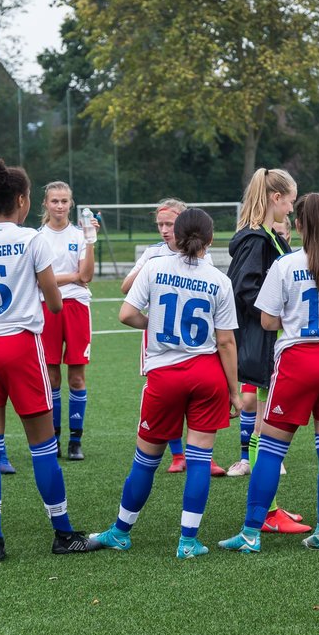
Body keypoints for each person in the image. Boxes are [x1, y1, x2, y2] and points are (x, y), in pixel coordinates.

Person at [0, 156, 100, 560]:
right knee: (43, 446)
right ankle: (62, 532)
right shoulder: (33, 239)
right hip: (19, 346)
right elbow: (53, 303)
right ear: (22, 199)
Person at [220, 193, 319, 553]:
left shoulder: (286, 265)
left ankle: (251, 533)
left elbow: (268, 320)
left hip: (299, 360)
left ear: (299, 225)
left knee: (271, 451)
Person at [92, 208, 239, 558]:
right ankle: (188, 541)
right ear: (210, 239)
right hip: (207, 375)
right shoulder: (220, 280)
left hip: (165, 374)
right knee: (200, 458)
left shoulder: (155, 267)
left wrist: (154, 325)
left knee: (145, 460)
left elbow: (126, 313)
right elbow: (226, 342)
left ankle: (121, 531)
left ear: (176, 234)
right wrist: (234, 392)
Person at [226, 168, 295, 479]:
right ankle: (259, 473)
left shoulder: (268, 237)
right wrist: (274, 317)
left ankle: (263, 462)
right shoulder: (256, 239)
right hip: (258, 337)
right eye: (290, 201)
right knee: (262, 400)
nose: (292, 209)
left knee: (273, 402)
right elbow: (244, 287)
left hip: (267, 335)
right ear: (276, 198)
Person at [121, 199, 197, 473]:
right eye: (160, 224)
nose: (164, 230)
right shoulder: (153, 253)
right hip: (159, 338)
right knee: (168, 397)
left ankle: (200, 453)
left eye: (170, 224)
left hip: (192, 335)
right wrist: (151, 266)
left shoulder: (199, 252)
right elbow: (125, 288)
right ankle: (178, 455)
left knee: (195, 393)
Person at [37, 182, 98, 460]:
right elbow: (39, 280)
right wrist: (71, 277)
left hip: (77, 308)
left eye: (64, 201)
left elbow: (85, 276)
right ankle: (55, 438)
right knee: (51, 377)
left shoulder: (80, 235)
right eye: (54, 201)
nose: (59, 206)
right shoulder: (37, 237)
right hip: (46, 308)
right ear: (46, 204)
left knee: (76, 377)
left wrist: (90, 241)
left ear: (71, 204)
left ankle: (76, 440)